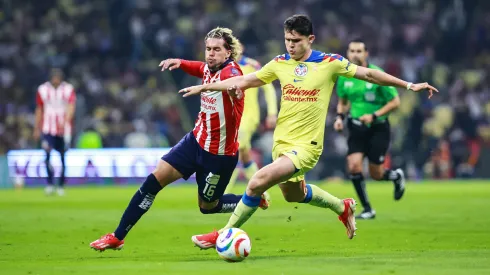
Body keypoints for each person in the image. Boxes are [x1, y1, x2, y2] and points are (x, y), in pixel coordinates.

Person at [180, 15, 437, 248]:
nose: (290, 45)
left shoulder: (330, 63)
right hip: (281, 143)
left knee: (257, 181)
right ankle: (341, 206)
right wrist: (205, 87)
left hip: (307, 146)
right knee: (295, 194)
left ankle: (223, 235)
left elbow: (369, 74)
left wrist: (409, 84)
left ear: (310, 39)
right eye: (287, 40)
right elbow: (246, 80)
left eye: (296, 40)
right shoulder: (280, 63)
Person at [89, 27, 269, 252]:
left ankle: (251, 198)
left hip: (219, 155)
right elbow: (200, 67)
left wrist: (210, 88)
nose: (210, 54)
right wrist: (180, 62)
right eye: (208, 49)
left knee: (208, 207)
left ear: (228, 53)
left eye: (216, 50)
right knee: (153, 181)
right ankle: (117, 236)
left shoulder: (232, 72)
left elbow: (232, 84)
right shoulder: (210, 68)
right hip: (194, 141)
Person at [334, 39, 406, 220]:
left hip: (378, 128)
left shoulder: (376, 75)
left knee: (376, 174)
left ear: (366, 53)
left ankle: (396, 176)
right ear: (348, 53)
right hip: (356, 128)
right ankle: (367, 209)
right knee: (354, 166)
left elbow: (395, 102)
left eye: (359, 51)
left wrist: (374, 116)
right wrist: (339, 118)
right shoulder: (344, 76)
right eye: (352, 51)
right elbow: (342, 102)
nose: (355, 54)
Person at [224, 44, 278, 194]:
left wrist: (272, 113)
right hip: (230, 117)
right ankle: (262, 192)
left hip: (248, 117)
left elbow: (268, 88)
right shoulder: (223, 67)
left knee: (234, 148)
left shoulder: (251, 65)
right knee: (244, 154)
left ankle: (222, 192)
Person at [33, 68, 76, 196]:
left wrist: (66, 121)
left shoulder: (68, 89)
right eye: (54, 77)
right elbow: (39, 109)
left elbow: (71, 106)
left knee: (63, 158)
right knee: (47, 156)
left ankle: (61, 185)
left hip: (63, 130)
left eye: (58, 77)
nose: (56, 79)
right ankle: (50, 184)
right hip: (47, 129)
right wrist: (36, 128)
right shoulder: (42, 89)